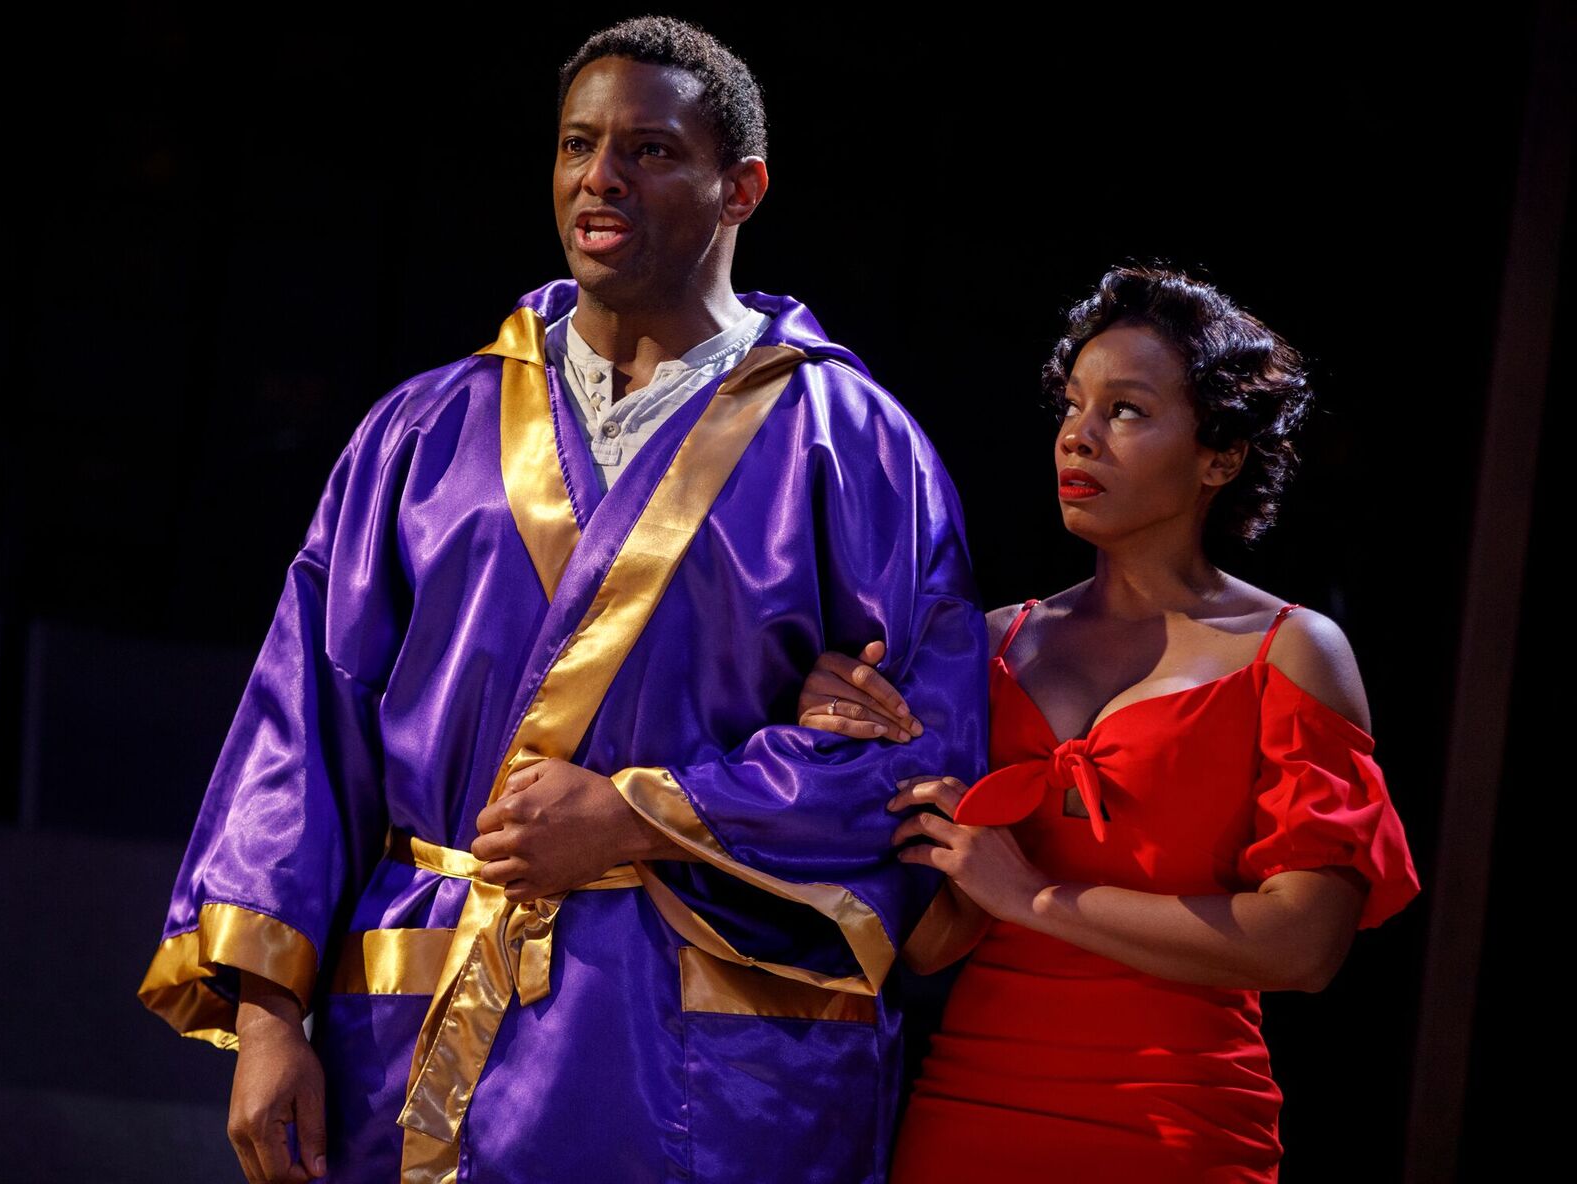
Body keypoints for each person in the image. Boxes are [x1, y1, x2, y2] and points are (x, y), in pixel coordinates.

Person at [137, 17, 988, 1184]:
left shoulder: (850, 443)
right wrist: (272, 1016)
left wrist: (643, 811)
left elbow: (923, 770)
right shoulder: (423, 428)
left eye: (648, 149)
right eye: (579, 143)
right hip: (419, 1010)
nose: (599, 177)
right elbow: (303, 721)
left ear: (740, 187)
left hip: (713, 1053)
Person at [799, 266, 1420, 1182]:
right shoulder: (988, 645)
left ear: (1221, 455)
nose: (1077, 437)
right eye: (1073, 404)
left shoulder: (1289, 651)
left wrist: (1034, 898)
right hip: (968, 1107)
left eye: (1125, 410)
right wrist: (836, 729)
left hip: (1181, 1124)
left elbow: (1305, 946)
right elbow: (927, 944)